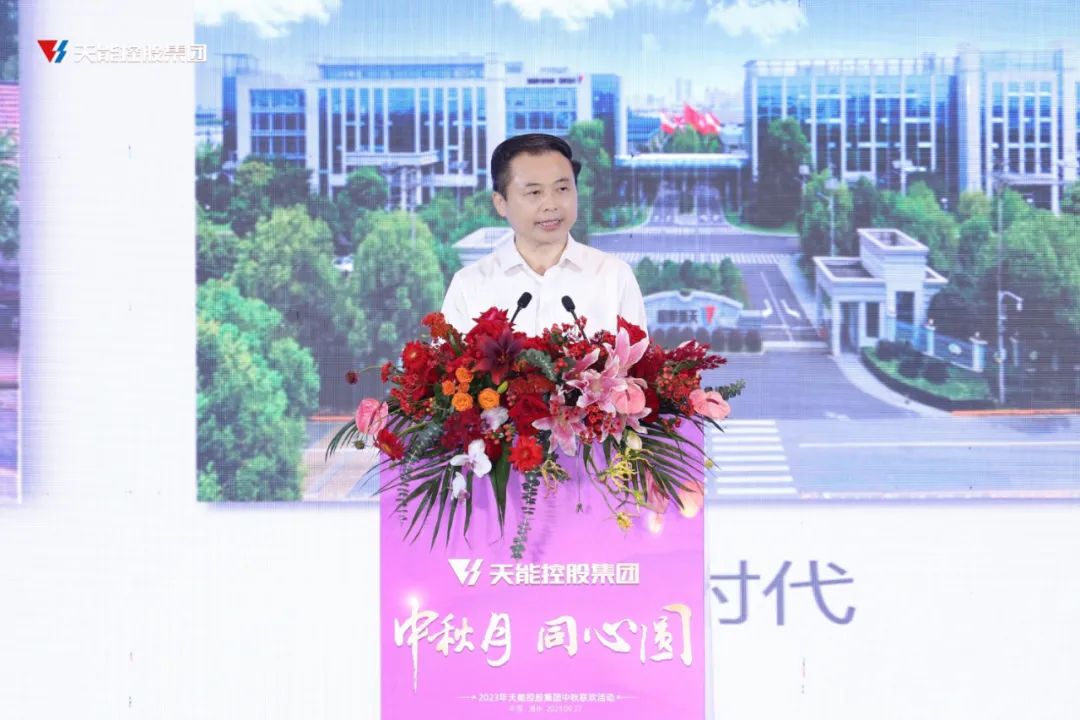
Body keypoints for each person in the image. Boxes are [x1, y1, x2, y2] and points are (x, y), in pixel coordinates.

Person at [441, 133, 647, 337]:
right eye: (534, 192)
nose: (551, 205)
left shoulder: (614, 277)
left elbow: (639, 357)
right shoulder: (469, 285)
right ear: (501, 203)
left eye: (562, 188)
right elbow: (444, 358)